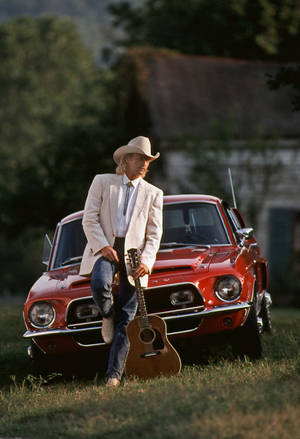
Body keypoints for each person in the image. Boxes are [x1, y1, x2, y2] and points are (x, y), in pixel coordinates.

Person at [79, 136, 163, 386]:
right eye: (140, 159)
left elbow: (154, 233)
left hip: (135, 257)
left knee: (127, 318)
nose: (145, 164)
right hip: (104, 247)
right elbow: (89, 219)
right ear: (126, 160)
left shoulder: (154, 193)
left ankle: (113, 376)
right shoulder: (103, 182)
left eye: (148, 160)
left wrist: (147, 262)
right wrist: (103, 246)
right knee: (99, 284)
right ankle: (106, 313)